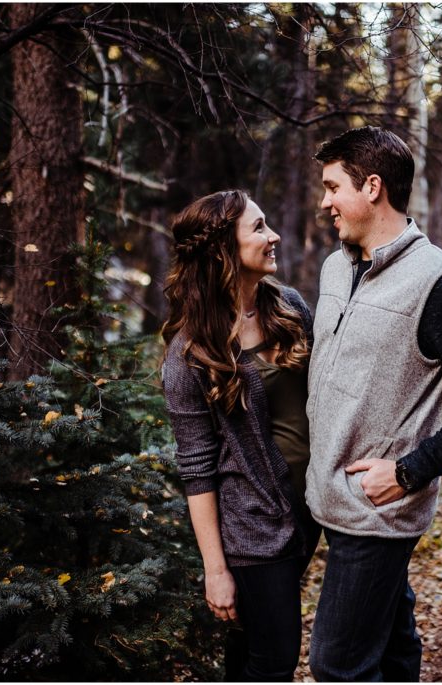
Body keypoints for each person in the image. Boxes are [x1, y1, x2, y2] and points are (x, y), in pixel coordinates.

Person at [305, 126, 442, 681]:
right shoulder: (335, 267)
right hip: (332, 498)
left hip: (376, 510)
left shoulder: (441, 283)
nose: (324, 201)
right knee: (393, 648)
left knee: (337, 665)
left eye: (333, 187)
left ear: (371, 187)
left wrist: (408, 471)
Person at [161, 189, 319, 681]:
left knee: (249, 651)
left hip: (308, 508)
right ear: (223, 251)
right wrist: (216, 570)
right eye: (258, 228)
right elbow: (197, 469)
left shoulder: (288, 305)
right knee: (274, 659)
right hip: (252, 525)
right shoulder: (190, 353)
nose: (273, 237)